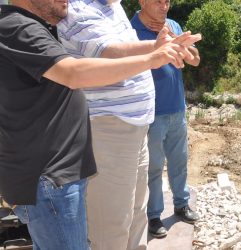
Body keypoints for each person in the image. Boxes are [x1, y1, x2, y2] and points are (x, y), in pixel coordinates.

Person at [0, 0, 186, 249]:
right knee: (104, 234)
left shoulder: (37, 24)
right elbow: (74, 73)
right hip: (48, 176)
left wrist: (154, 48)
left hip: (61, 169)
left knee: (126, 220)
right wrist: (152, 58)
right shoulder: (15, 26)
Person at [56, 0, 200, 249]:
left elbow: (126, 46)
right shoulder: (79, 10)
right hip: (110, 131)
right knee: (112, 228)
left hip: (136, 126)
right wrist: (153, 55)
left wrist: (156, 46)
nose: (165, 5)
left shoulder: (113, 6)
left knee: (135, 216)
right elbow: (109, 52)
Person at [131, 0, 200, 238]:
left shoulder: (173, 25)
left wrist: (178, 44)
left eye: (167, 1)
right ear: (142, 2)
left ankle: (181, 204)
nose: (164, 6)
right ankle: (153, 216)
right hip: (151, 114)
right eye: (158, 1)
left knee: (179, 161)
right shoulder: (130, 29)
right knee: (153, 168)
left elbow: (195, 60)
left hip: (177, 109)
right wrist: (157, 45)